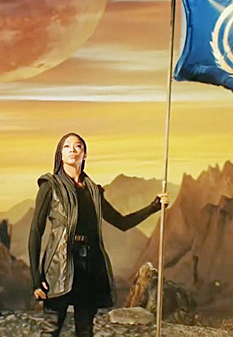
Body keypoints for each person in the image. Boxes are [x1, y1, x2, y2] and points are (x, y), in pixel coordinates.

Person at [29, 132, 168, 337]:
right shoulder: (50, 186)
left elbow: (122, 222)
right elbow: (35, 231)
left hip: (89, 266)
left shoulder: (93, 190)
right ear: (60, 154)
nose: (72, 150)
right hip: (59, 265)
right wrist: (36, 278)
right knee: (51, 328)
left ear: (85, 154)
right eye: (66, 146)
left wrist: (154, 206)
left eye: (78, 146)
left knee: (86, 329)